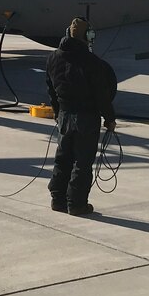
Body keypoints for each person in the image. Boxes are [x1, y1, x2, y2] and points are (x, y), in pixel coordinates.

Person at [45, 17, 117, 216]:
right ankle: (76, 204)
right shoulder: (93, 63)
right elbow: (102, 95)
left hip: (64, 116)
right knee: (82, 162)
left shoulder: (53, 58)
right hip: (86, 118)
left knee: (62, 159)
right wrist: (109, 119)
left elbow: (51, 89)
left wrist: (57, 112)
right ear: (87, 36)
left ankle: (57, 200)